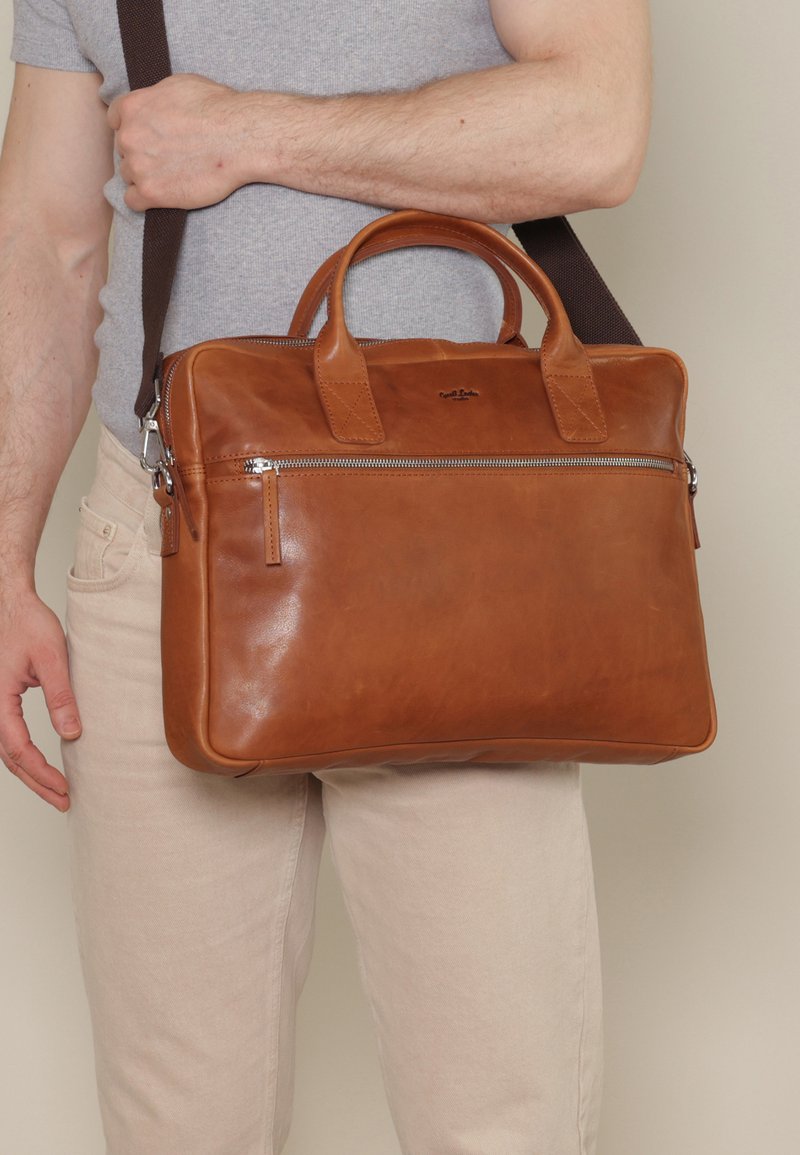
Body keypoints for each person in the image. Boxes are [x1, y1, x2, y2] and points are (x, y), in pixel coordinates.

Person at [0, 1, 652, 1151]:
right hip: (159, 536)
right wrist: (5, 560)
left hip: (447, 549)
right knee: (172, 1122)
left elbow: (597, 127)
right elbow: (47, 237)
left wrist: (251, 133)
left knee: (495, 1113)